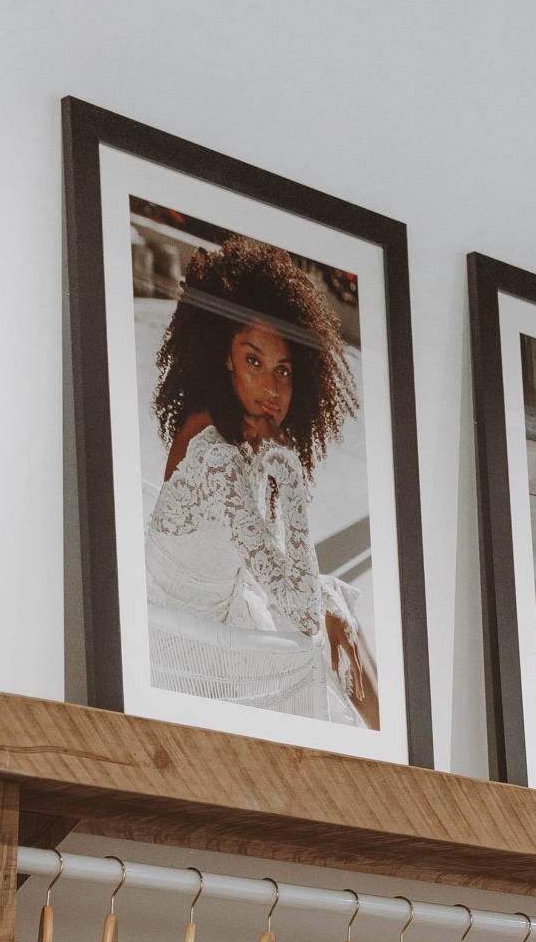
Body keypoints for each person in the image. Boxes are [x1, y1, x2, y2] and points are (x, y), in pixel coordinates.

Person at [144, 236, 377, 728]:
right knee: (328, 617)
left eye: (284, 370)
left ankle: (392, 747)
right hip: (188, 653)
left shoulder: (222, 428)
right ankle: (393, 754)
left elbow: (271, 558)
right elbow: (303, 613)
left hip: (213, 617)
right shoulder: (219, 456)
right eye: (254, 362)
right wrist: (288, 470)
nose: (272, 390)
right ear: (225, 354)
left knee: (331, 602)